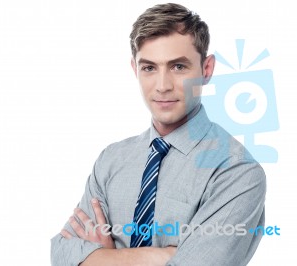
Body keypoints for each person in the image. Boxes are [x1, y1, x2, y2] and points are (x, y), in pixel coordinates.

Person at [50, 3, 266, 266]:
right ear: (135, 69)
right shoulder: (112, 160)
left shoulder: (237, 171)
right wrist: (164, 255)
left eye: (178, 67)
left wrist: (101, 257)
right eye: (149, 68)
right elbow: (61, 252)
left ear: (206, 69)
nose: (163, 86)